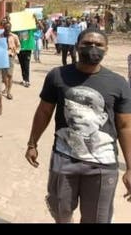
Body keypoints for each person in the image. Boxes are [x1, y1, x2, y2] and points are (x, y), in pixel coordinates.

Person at [25, 28, 131, 223]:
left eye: (98, 45)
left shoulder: (118, 83)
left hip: (103, 166)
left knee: (96, 219)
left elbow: (125, 126)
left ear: (106, 49)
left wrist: (130, 167)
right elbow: (44, 112)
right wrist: (32, 144)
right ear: (77, 46)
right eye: (87, 43)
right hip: (64, 160)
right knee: (61, 213)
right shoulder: (58, 76)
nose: (93, 48)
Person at [1, 22, 20, 100]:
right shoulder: (0, 36)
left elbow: (19, 46)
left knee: (10, 75)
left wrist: (16, 52)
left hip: (10, 56)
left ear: (11, 28)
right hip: (2, 57)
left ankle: (9, 92)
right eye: (6, 27)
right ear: (4, 28)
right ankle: (6, 87)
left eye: (9, 27)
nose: (7, 28)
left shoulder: (14, 36)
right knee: (4, 75)